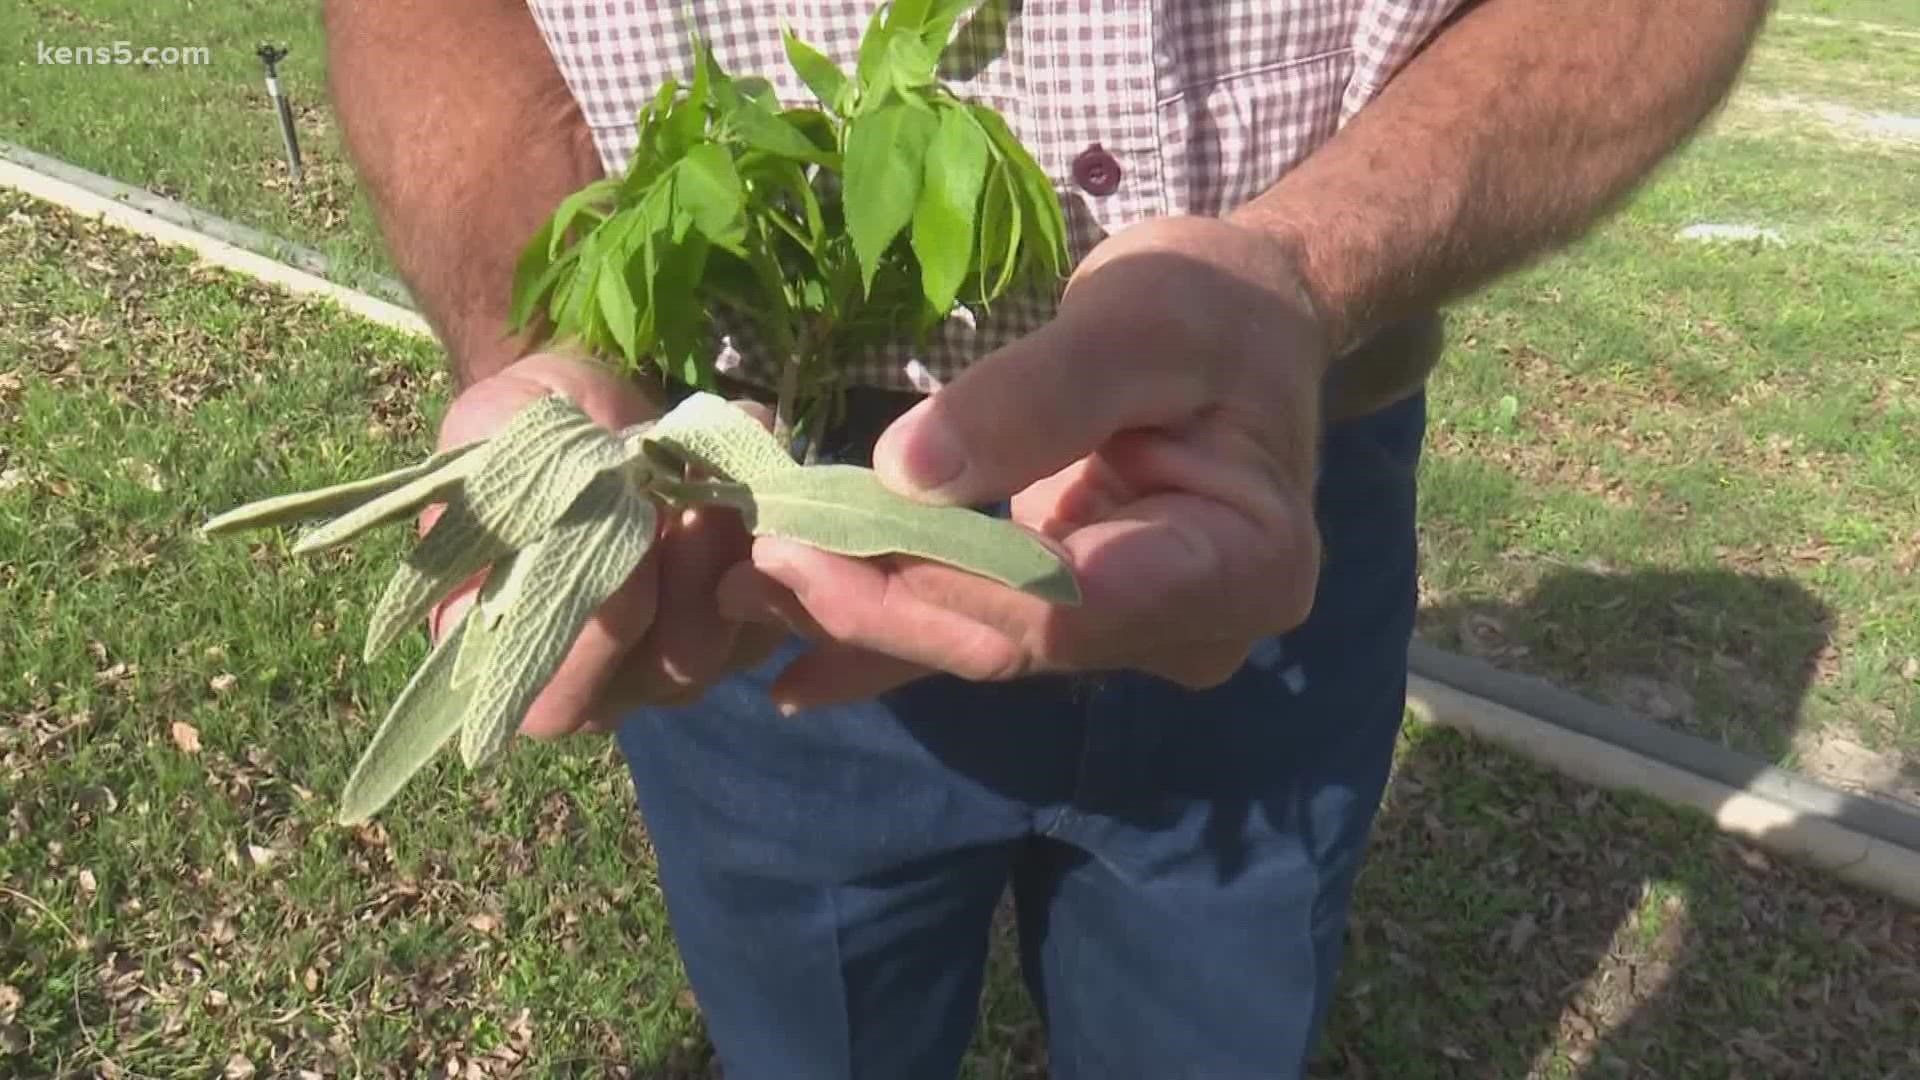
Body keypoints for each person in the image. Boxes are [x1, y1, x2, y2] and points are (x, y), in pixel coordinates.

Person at [324, 2, 1767, 1075]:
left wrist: (1306, 265)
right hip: (743, 530)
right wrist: (551, 362)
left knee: (1215, 1033)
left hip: (1258, 473)